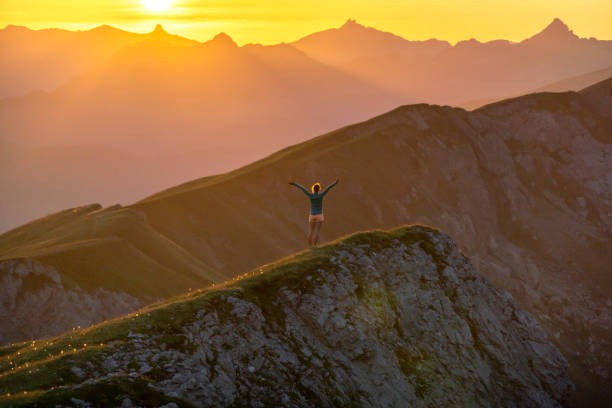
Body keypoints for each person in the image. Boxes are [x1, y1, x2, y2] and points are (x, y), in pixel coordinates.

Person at [289, 178, 339, 247]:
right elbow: (328, 188)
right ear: (319, 189)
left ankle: (310, 246)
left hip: (312, 215)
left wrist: (295, 184)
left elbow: (302, 189)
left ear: (313, 189)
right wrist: (335, 183)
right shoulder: (321, 195)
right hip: (319, 215)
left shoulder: (310, 195)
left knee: (310, 232)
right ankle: (314, 246)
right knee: (317, 232)